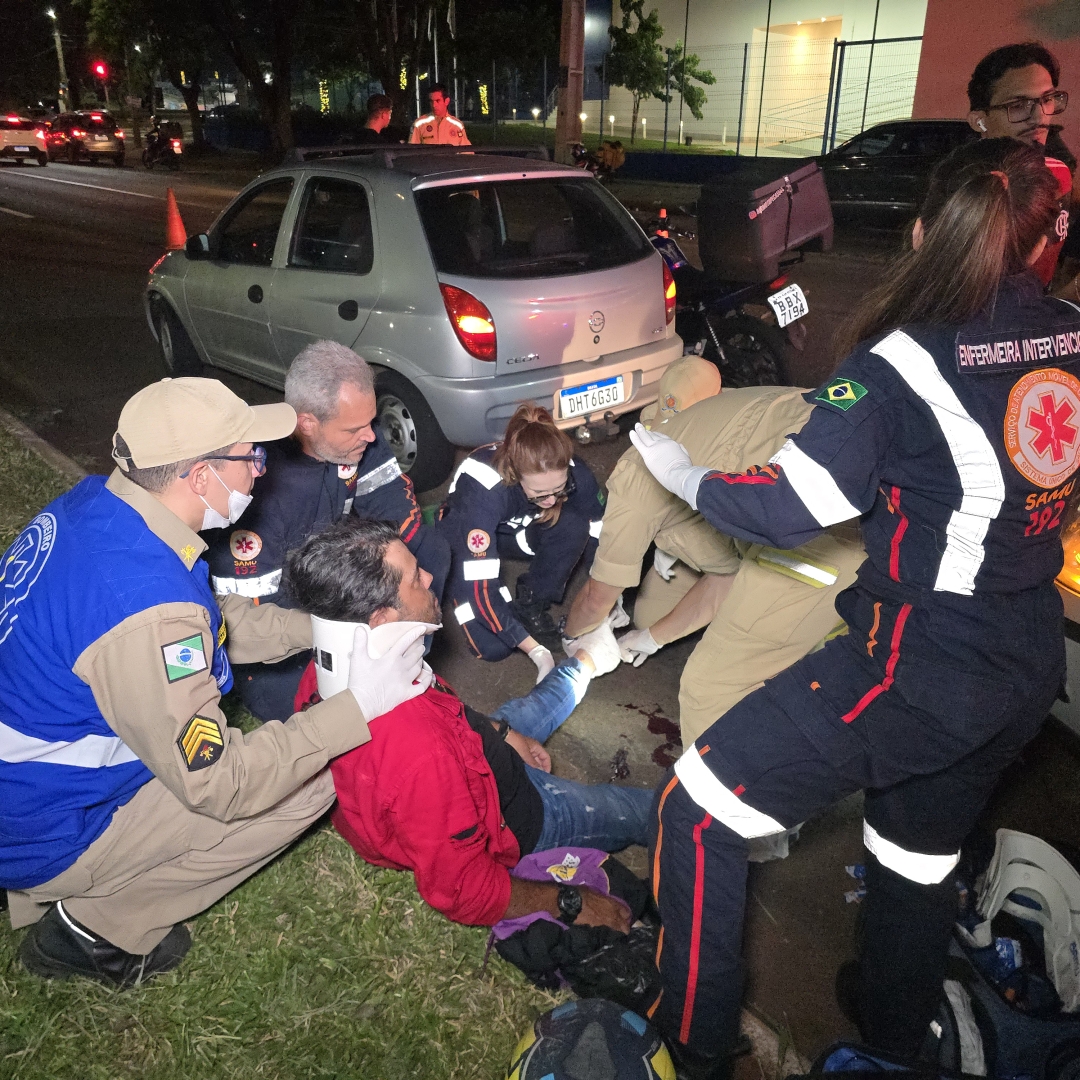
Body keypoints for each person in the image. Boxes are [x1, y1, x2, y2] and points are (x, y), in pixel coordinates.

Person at [630, 138, 1079, 1078]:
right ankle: (892, 1028)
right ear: (1052, 239)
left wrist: (678, 467)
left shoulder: (900, 366)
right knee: (912, 853)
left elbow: (782, 508)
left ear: (923, 235)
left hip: (917, 664)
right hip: (1027, 661)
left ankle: (692, 1047)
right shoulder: (1073, 329)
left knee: (698, 810)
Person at [0, 378, 431, 988]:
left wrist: (318, 627)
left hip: (24, 785)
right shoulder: (148, 610)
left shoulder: (103, 509)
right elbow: (220, 784)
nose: (261, 471)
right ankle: (94, 931)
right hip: (45, 822)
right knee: (309, 779)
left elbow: (204, 621)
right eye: (249, 456)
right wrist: (358, 707)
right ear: (200, 476)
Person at [284, 517, 650, 931]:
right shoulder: (421, 755)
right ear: (382, 619)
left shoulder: (329, 674)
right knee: (649, 809)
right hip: (526, 813)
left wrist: (504, 734)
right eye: (414, 581)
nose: (429, 575)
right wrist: (567, 901)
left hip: (472, 745)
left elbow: (451, 715)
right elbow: (464, 890)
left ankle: (584, 663)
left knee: (532, 708)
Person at [562, 356, 865, 745]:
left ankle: (715, 794)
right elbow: (725, 574)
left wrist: (572, 636)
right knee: (650, 613)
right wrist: (654, 635)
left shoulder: (636, 474)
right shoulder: (738, 405)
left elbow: (595, 598)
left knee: (708, 689)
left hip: (824, 528)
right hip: (844, 460)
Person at [206, 341, 450, 722]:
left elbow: (393, 502)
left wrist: (384, 579)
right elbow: (253, 610)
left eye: (371, 422)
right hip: (283, 608)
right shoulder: (260, 489)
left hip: (342, 567)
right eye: (356, 428)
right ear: (307, 423)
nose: (371, 436)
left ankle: (408, 656)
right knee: (314, 706)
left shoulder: (357, 439)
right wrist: (349, 613)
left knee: (428, 551)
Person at [436, 403, 605, 681]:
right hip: (466, 536)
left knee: (574, 525)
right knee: (494, 646)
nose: (551, 500)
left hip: (520, 529)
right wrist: (535, 650)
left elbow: (602, 526)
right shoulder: (482, 490)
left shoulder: (575, 470)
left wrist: (604, 588)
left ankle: (531, 600)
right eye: (540, 492)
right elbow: (479, 590)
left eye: (558, 490)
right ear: (515, 473)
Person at [967, 42, 1074, 290]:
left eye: (1047, 99)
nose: (1040, 117)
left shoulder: (1059, 173)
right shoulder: (963, 186)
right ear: (979, 121)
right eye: (1017, 105)